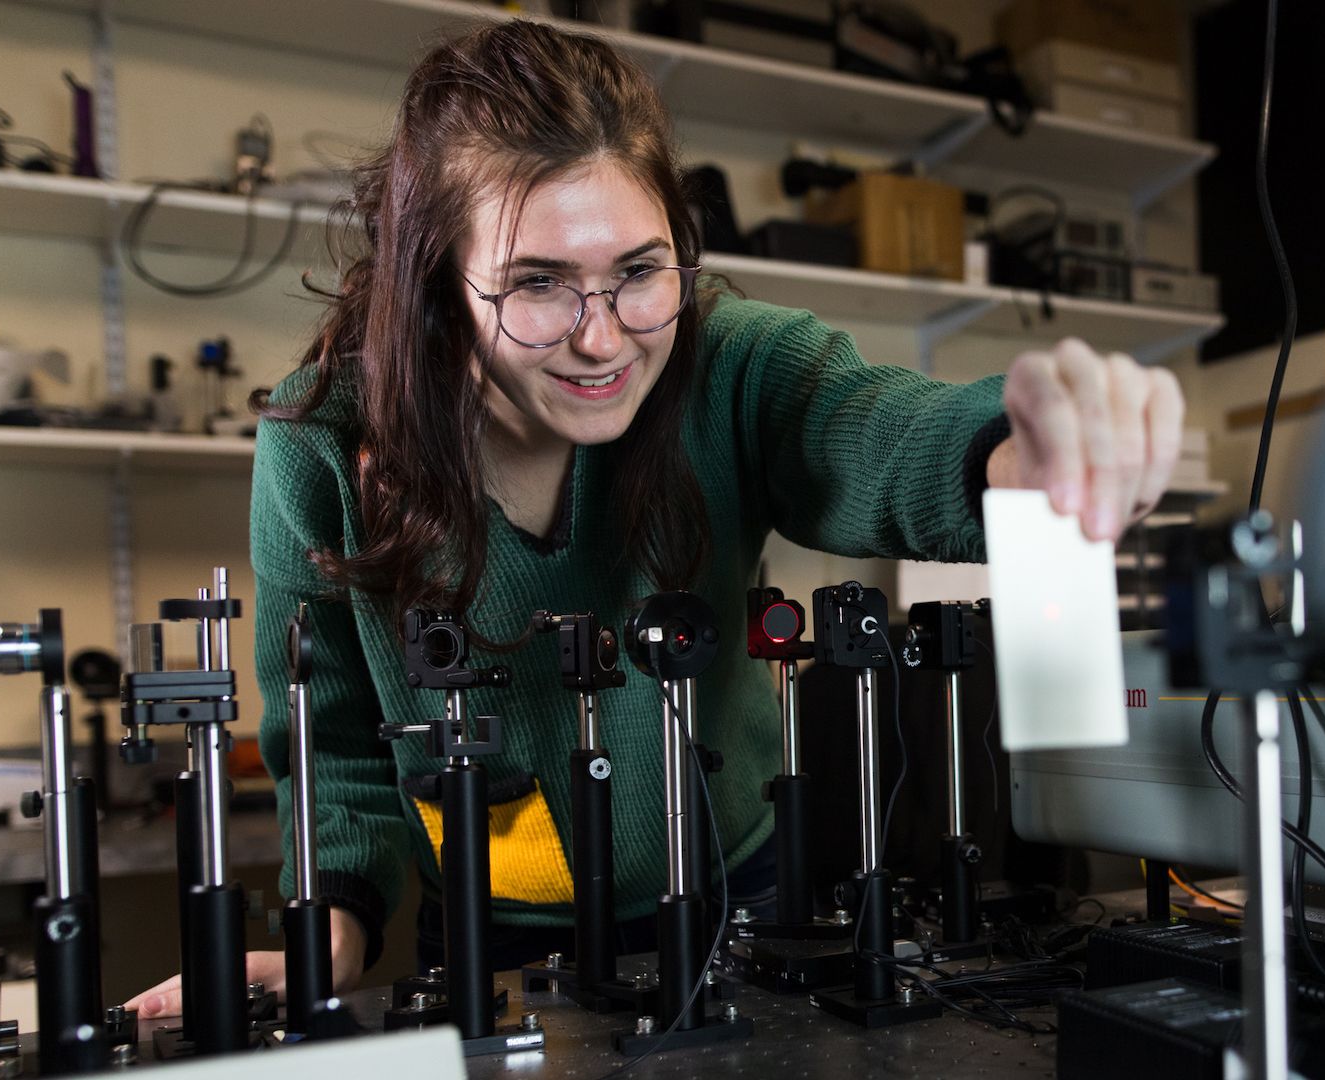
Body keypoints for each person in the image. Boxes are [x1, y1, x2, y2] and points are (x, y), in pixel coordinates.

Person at [127, 18, 1183, 1016]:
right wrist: (334, 924)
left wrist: (1014, 450)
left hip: (742, 895)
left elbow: (868, 430)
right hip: (489, 936)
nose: (603, 340)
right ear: (438, 287)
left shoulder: (729, 360)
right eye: (537, 285)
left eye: (638, 272)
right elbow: (336, 742)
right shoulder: (324, 435)